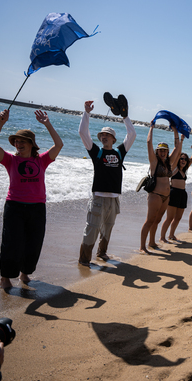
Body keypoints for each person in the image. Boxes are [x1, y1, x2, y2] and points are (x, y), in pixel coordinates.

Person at [0, 109, 63, 289]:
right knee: (11, 243)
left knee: (34, 243)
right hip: (14, 206)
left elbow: (59, 144)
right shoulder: (10, 160)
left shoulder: (42, 160)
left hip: (37, 207)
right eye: (16, 141)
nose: (18, 143)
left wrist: (47, 124)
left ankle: (24, 273)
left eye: (22, 141)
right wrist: (1, 123)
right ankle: (5, 277)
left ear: (31, 144)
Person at [78, 99, 136, 266]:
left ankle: (102, 252)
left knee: (107, 228)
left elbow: (132, 134)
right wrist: (86, 112)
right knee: (91, 229)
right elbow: (83, 133)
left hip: (114, 198)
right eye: (101, 135)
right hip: (98, 198)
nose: (103, 137)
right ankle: (84, 260)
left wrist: (125, 117)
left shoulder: (119, 152)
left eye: (106, 135)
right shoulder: (96, 151)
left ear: (113, 138)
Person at [139, 124, 182, 253]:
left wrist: (175, 131)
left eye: (165, 150)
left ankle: (152, 242)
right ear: (157, 152)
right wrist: (151, 128)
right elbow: (148, 143)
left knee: (157, 220)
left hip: (166, 197)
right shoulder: (154, 162)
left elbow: (178, 147)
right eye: (160, 150)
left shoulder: (169, 163)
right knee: (149, 220)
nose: (163, 152)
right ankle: (142, 246)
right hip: (155, 195)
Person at [160, 141, 192, 242]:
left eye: (185, 159)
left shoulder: (184, 170)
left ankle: (171, 235)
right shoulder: (174, 169)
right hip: (173, 193)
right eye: (181, 158)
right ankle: (162, 237)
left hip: (183, 194)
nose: (183, 160)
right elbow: (177, 153)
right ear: (178, 160)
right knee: (169, 217)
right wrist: (181, 141)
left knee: (178, 217)